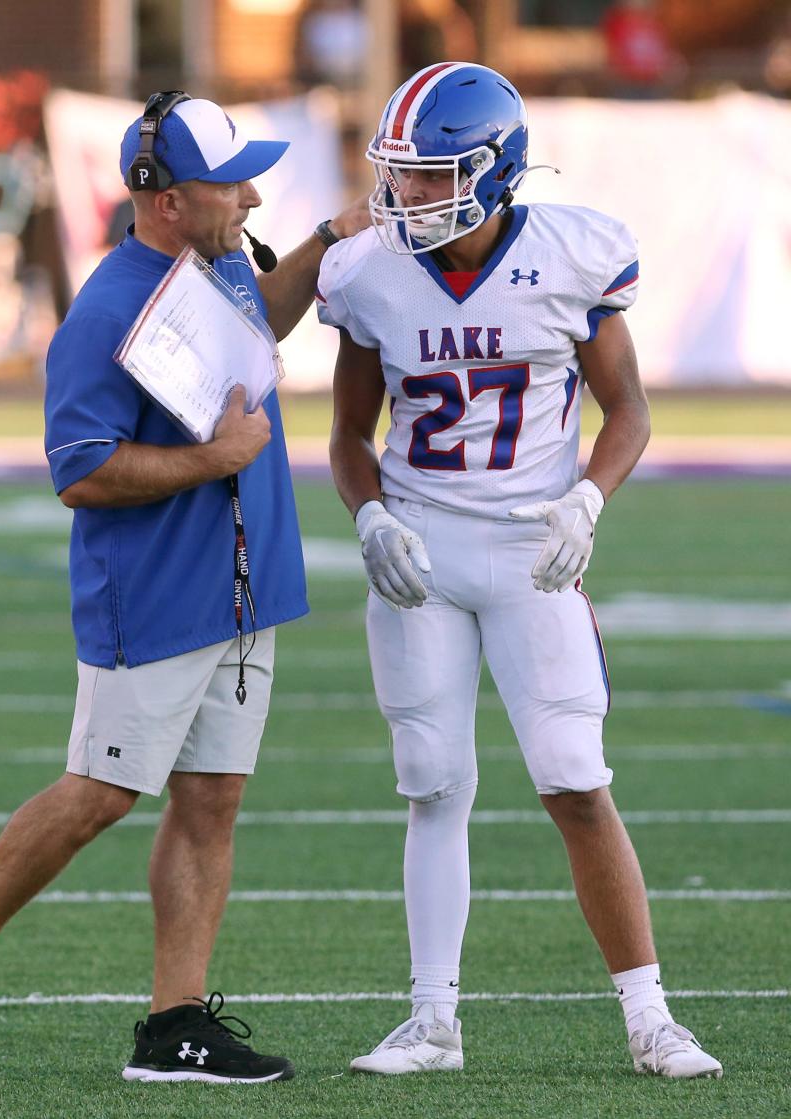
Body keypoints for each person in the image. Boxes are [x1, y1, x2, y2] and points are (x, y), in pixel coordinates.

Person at [0, 91, 367, 1086]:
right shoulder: (108, 308)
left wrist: (325, 242)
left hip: (244, 587)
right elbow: (81, 469)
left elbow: (251, 331)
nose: (248, 194)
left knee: (212, 799)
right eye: (227, 181)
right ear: (164, 200)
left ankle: (176, 1025)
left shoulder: (221, 259)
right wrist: (214, 458)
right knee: (100, 792)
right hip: (154, 593)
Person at [318, 62, 723, 1080]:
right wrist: (367, 517)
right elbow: (345, 435)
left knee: (575, 778)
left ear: (490, 173)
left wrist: (589, 498)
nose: (403, 195)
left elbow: (626, 407)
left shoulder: (572, 254)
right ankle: (432, 1022)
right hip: (419, 552)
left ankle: (651, 1018)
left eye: (427, 175)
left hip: (532, 551)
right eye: (399, 174)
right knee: (434, 782)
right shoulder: (370, 271)